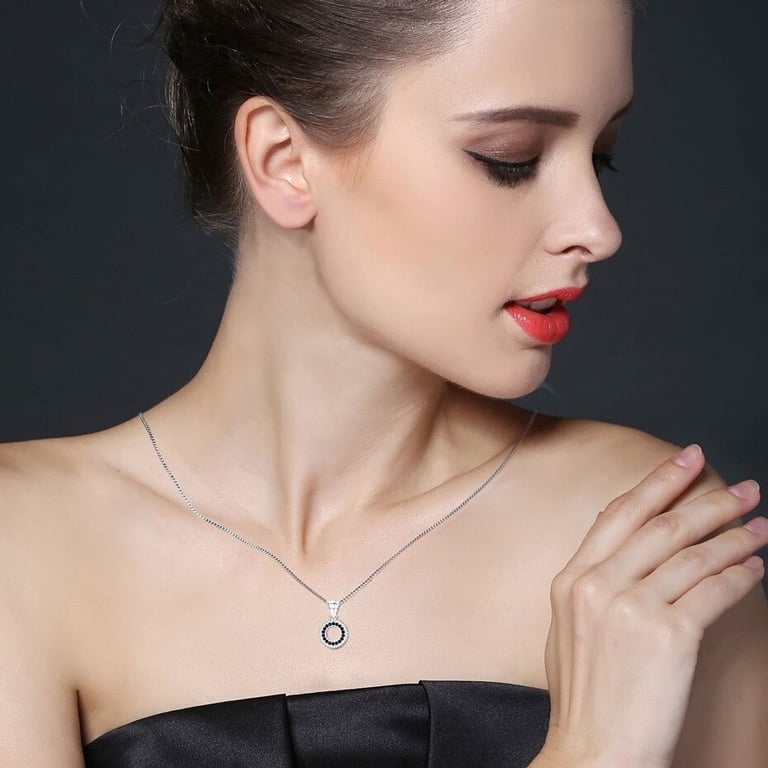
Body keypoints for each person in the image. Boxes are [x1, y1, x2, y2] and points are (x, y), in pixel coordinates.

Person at [2, 0, 767, 766]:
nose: (597, 229)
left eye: (600, 156)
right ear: (283, 160)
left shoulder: (650, 541)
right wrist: (591, 751)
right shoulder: (28, 544)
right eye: (511, 157)